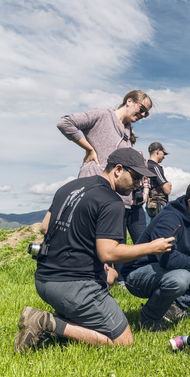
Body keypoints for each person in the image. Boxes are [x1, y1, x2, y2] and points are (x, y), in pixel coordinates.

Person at [14, 148, 174, 353]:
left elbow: (45, 227)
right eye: (136, 178)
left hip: (44, 280)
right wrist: (152, 247)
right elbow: (108, 254)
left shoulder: (68, 187)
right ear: (118, 169)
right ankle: (48, 323)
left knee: (110, 276)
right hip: (72, 285)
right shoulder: (111, 201)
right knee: (124, 342)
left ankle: (66, 317)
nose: (138, 184)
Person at [57, 90, 153, 281]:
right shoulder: (102, 115)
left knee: (114, 241)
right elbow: (65, 123)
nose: (142, 115)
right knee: (89, 237)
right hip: (94, 188)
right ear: (129, 101)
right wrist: (89, 148)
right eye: (142, 109)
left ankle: (116, 279)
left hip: (119, 197)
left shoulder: (127, 132)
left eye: (146, 113)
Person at [121, 180, 190, 331]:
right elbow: (169, 259)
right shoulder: (169, 219)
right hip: (138, 274)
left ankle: (173, 307)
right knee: (180, 278)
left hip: (170, 270)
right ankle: (149, 318)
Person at [146, 141, 172, 218]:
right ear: (158, 151)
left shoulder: (146, 166)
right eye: (163, 153)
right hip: (158, 204)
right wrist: (169, 183)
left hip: (150, 204)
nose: (164, 156)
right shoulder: (155, 167)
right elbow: (167, 190)